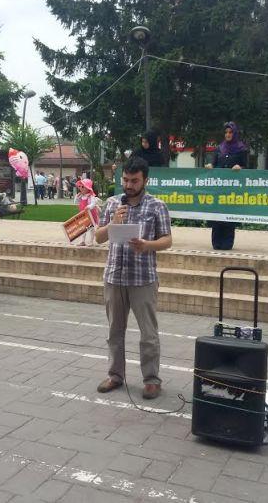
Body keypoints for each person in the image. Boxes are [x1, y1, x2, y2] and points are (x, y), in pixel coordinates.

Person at [95, 157, 172, 400]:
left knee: (148, 333)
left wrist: (147, 245)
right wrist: (113, 223)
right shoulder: (112, 204)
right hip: (115, 276)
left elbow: (167, 240)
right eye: (125, 180)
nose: (129, 185)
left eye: (134, 180)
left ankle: (151, 379)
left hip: (143, 278)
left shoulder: (157, 206)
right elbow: (98, 237)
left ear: (145, 180)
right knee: (114, 331)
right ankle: (115, 375)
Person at [207, 122, 248, 250]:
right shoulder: (219, 148)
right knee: (217, 215)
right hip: (219, 189)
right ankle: (216, 241)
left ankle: (227, 242)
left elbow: (246, 167)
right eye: (226, 132)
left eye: (230, 132)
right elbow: (213, 163)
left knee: (229, 215)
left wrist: (240, 167)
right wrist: (210, 166)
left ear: (234, 134)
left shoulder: (241, 149)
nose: (228, 135)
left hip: (232, 189)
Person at [74, 178, 100, 246]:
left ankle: (91, 241)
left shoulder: (91, 196)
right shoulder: (81, 196)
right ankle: (82, 241)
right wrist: (77, 197)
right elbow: (76, 203)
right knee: (83, 228)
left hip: (91, 214)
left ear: (88, 188)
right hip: (83, 214)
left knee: (91, 228)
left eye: (83, 187)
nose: (81, 188)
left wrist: (89, 206)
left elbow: (93, 203)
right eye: (79, 186)